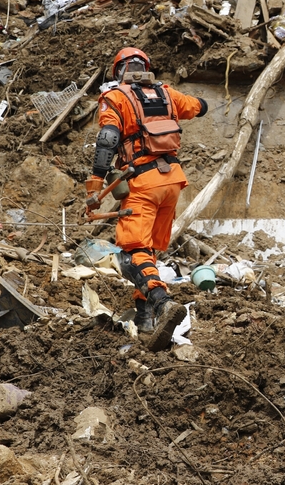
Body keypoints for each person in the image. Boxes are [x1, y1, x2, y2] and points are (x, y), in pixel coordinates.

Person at [85, 47, 209, 351]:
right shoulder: (166, 93)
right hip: (173, 182)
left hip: (143, 182)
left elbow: (108, 140)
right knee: (148, 252)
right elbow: (199, 106)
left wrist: (94, 187)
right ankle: (145, 320)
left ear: (118, 72)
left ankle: (163, 302)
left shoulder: (115, 98)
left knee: (131, 255)